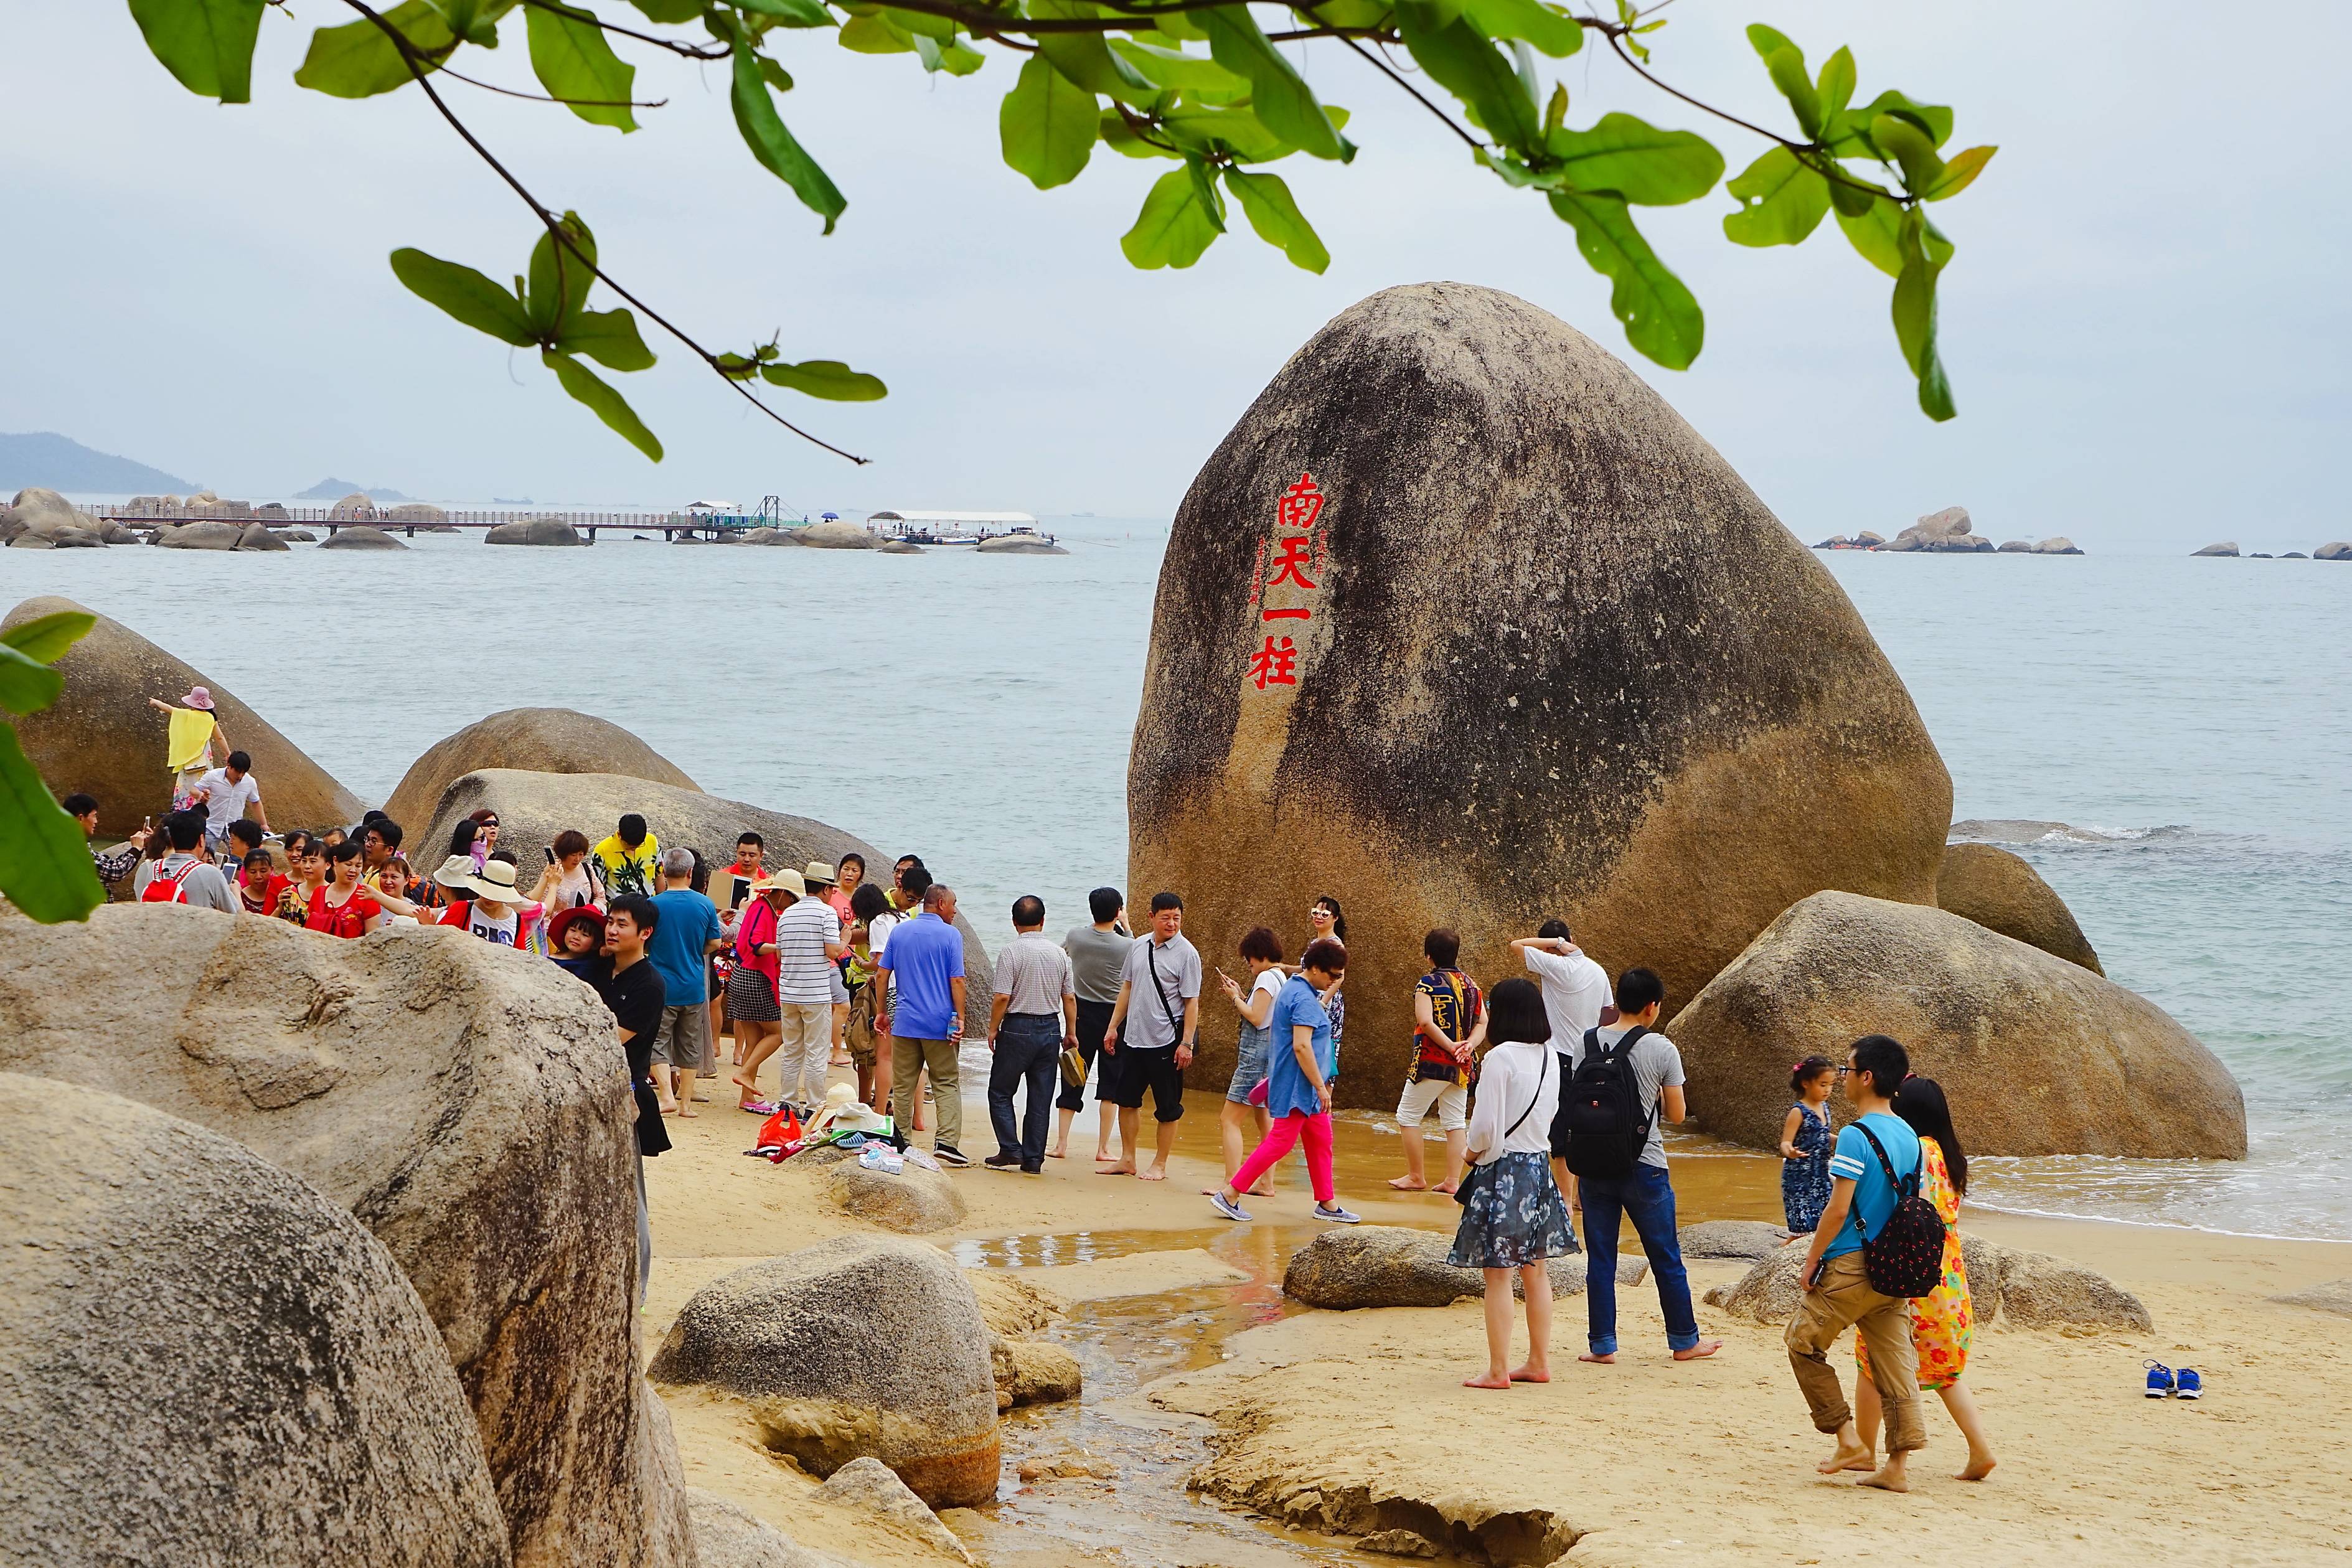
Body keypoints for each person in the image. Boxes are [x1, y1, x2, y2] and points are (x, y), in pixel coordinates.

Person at [1787, 1033, 1926, 1493]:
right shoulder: (1910, 1134)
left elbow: (1839, 1208)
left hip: (1851, 1264)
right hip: (1895, 1268)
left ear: (1867, 1077)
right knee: (1895, 1366)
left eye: (1847, 1070)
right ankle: (1898, 1466)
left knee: (1803, 1343)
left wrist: (1812, 1259)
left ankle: (1848, 1438)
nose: (1842, 1078)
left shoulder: (1855, 1133)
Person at [1561, 966, 1719, 1366]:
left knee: (1601, 1257)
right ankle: (1685, 1341)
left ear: (1617, 1002)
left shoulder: (1588, 1043)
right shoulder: (1661, 1048)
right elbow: (1679, 1115)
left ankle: (1602, 1345)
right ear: (1652, 1007)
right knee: (1665, 1254)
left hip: (1593, 1165)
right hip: (1644, 1164)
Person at [1849, 1075, 1996, 1483]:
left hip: (1909, 1266)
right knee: (1946, 1372)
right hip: (1946, 1275)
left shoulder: (1913, 1150)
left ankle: (1865, 1450)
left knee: (1874, 1359)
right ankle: (1980, 1450)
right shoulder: (1952, 1155)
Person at [1448, 977, 1574, 1388]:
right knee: (1535, 1271)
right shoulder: (1550, 1057)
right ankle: (1538, 1361)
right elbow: (1552, 1113)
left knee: (1497, 1273)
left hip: (1503, 1171)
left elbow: (1484, 1127)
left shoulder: (1500, 1058)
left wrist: (1468, 1155)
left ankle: (1499, 1369)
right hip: (1539, 1168)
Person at [1210, 937, 1359, 1224]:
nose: (1335, 981)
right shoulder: (1302, 997)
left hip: (1300, 1085)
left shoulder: (1297, 987)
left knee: (1321, 1139)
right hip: (1298, 1086)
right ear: (1316, 969)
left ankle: (1327, 1203)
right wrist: (1320, 1087)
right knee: (1280, 1142)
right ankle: (1230, 1194)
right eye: (1333, 975)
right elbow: (1302, 1046)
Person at [591, 895, 670, 1305]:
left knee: (631, 1193)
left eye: (622, 923)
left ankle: (636, 1288)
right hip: (588, 1089)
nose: (612, 929)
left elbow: (609, 1038)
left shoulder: (650, 985)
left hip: (625, 1094)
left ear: (645, 933)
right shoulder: (600, 968)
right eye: (610, 921)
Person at [1102, 891, 1199, 1181]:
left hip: (1167, 1041)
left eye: (1177, 918)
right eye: (1166, 918)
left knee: (1168, 1107)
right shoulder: (1139, 946)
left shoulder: (1187, 954)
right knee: (1127, 1100)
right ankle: (1128, 1158)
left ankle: (1160, 1164)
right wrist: (1112, 1027)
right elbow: (1127, 989)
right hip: (1133, 1038)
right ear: (1152, 917)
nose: (1172, 924)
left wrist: (1186, 1044)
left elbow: (1192, 1002)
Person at [875, 880, 969, 1165]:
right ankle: (947, 1142)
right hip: (940, 1023)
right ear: (941, 904)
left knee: (903, 1084)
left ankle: (902, 1139)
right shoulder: (950, 935)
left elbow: (881, 975)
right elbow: (957, 980)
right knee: (947, 1081)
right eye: (953, 904)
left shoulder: (900, 932)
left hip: (905, 1021)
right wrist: (961, 1017)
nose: (955, 910)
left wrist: (882, 1012)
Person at [985, 896, 1077, 1173]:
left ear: (1014, 923)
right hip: (1050, 1029)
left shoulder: (1010, 952)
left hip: (1017, 1028)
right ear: (1043, 920)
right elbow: (1069, 998)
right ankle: (1034, 1158)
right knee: (1040, 1097)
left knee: (1000, 1091)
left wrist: (992, 1029)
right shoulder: (1059, 954)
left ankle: (1011, 1148)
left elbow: (1002, 997)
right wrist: (1071, 1032)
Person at [1395, 929, 1484, 1195]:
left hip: (1432, 1062)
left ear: (1428, 955)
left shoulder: (1427, 983)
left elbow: (1425, 1021)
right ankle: (1452, 1181)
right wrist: (1467, 1047)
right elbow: (1483, 1023)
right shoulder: (1472, 985)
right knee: (1455, 1121)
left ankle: (1416, 1176)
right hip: (1462, 1065)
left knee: (1408, 1116)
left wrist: (1450, 1046)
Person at [642, 847, 726, 1117]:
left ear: (664, 873)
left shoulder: (654, 905)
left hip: (661, 986)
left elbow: (645, 942)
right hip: (693, 985)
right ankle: (686, 1104)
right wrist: (695, 949)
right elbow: (715, 942)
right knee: (690, 1045)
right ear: (691, 873)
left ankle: (666, 1095)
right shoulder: (704, 904)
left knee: (657, 1041)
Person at [1053, 886, 1129, 1164]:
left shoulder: (1076, 936)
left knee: (1073, 1076)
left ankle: (1061, 1144)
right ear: (1118, 911)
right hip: (1115, 1019)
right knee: (1111, 1083)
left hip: (1082, 1014)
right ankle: (1103, 1149)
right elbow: (1132, 963)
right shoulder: (1127, 944)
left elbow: (1064, 954)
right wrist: (1127, 927)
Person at [1211, 926, 1285, 1196]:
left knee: (1229, 1118)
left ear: (1259, 954)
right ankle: (1266, 1182)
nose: (1248, 963)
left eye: (1249, 958)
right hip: (1272, 1057)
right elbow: (1264, 1015)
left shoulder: (1267, 978)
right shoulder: (1280, 977)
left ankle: (1232, 1180)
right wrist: (1242, 995)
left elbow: (1256, 1018)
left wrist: (1234, 999)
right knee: (1265, 1120)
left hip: (1256, 1057)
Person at [773, 862, 849, 1114]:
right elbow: (832, 950)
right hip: (815, 993)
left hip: (789, 991)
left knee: (793, 1049)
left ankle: (788, 1102)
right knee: (816, 1051)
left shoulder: (787, 915)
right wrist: (845, 939)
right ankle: (814, 1105)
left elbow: (780, 956)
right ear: (827, 889)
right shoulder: (826, 914)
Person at [727, 869, 794, 1110]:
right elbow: (755, 945)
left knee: (754, 1039)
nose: (791, 904)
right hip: (754, 976)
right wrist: (782, 945)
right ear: (783, 893)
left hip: (743, 975)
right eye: (792, 899)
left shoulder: (761, 907)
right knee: (778, 1033)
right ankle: (745, 1074)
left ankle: (747, 1097)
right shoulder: (762, 908)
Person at [1513, 920, 1613, 1048]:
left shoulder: (1555, 965)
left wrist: (1557, 942)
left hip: (1560, 1052)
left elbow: (1516, 945)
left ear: (1545, 948)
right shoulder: (1598, 970)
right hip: (1589, 1051)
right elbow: (1608, 1010)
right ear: (1571, 939)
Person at [842, 880, 891, 1110]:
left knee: (868, 1046)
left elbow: (882, 963)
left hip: (879, 989)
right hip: (896, 989)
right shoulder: (897, 918)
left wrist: (863, 964)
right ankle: (897, 1106)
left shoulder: (878, 923)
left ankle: (872, 1104)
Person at [134, 812, 240, 912]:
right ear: (202, 840)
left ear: (171, 839)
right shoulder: (211, 873)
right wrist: (236, 892)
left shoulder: (154, 868)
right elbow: (233, 914)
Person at [1779, 1056, 1838, 1235]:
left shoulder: (1824, 1107)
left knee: (1824, 1213)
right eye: (1823, 1085)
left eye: (1831, 1084)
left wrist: (1843, 1139)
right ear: (1805, 1083)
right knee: (1802, 1220)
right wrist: (1790, 1152)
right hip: (1799, 1175)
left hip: (1820, 1172)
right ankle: (1790, 1249)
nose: (1828, 1090)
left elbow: (1822, 1135)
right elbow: (1785, 1142)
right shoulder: (1798, 1112)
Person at [149, 687, 228, 810]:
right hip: (205, 759)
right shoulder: (211, 718)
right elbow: (220, 737)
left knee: (186, 785)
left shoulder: (187, 714)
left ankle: (183, 810)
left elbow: (170, 709)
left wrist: (156, 702)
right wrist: (228, 754)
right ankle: (203, 809)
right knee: (205, 784)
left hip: (190, 759)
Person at [187, 750, 267, 857]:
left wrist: (263, 824)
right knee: (204, 857)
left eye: (244, 772)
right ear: (229, 766)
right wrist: (200, 795)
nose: (240, 775)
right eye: (238, 771)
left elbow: (256, 802)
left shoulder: (250, 782)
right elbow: (193, 790)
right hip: (212, 825)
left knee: (239, 860)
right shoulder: (213, 776)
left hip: (235, 827)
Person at [64, 794, 146, 892]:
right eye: (94, 816)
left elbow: (109, 863)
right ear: (81, 818)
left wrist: (140, 846)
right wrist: (136, 849)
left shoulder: (72, 842)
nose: (96, 821)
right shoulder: (71, 847)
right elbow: (115, 872)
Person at [1304, 895, 1347, 1079]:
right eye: (1315, 912)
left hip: (1327, 1003)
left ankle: (1324, 1104)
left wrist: (1323, 1003)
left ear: (1335, 918)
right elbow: (1308, 969)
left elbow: (1340, 977)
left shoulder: (1335, 944)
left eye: (1324, 913)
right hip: (1312, 999)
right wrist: (1284, 968)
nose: (1319, 917)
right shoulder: (1316, 942)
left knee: (1324, 1052)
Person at [306, 839, 383, 937]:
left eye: (358, 866)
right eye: (348, 864)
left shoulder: (367, 897)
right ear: (335, 861)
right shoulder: (319, 893)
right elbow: (308, 932)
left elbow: (372, 941)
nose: (353, 870)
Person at [595, 814, 661, 903]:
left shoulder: (652, 841)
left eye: (639, 845)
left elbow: (659, 875)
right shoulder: (602, 851)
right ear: (619, 834)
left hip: (649, 909)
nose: (635, 849)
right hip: (619, 912)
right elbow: (598, 888)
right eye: (630, 846)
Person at [548, 904, 606, 982]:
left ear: (596, 944)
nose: (576, 937)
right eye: (573, 930)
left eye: (585, 935)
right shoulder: (551, 959)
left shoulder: (590, 967)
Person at [276, 832, 326, 922]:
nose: (307, 866)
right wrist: (279, 908)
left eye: (313, 861)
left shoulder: (333, 893)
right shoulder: (290, 893)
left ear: (328, 865)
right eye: (304, 861)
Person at [237, 845, 291, 918]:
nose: (258, 877)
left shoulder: (279, 895)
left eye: (263, 871)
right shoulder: (239, 898)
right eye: (253, 872)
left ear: (271, 870)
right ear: (245, 872)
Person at [359, 818, 403, 885]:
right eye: (367, 839)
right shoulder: (372, 869)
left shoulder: (380, 880)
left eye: (373, 841)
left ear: (389, 850)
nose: (367, 844)